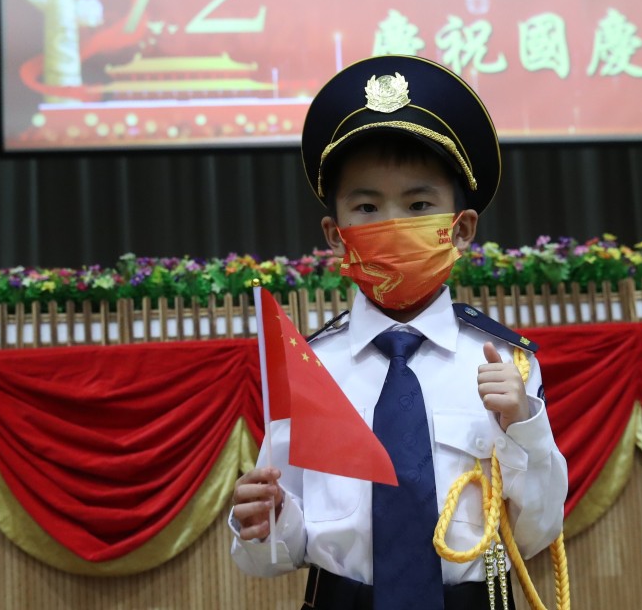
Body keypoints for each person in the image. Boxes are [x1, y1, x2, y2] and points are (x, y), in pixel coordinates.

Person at [229, 54, 569, 609]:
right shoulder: (309, 371)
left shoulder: (505, 365)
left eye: (418, 204)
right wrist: (264, 521)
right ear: (335, 235)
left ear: (460, 228)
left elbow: (538, 532)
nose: (391, 223)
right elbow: (277, 551)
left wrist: (523, 426)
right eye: (366, 206)